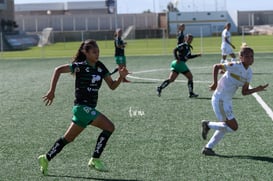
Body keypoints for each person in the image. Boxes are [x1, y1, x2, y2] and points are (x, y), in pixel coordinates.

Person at [38, 39, 129, 175]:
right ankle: (95, 159)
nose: (97, 54)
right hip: (82, 108)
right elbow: (57, 70)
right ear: (85, 53)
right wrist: (52, 91)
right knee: (109, 127)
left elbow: (112, 86)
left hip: (86, 110)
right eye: (93, 52)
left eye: (98, 51)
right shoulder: (79, 66)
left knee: (67, 139)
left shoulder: (100, 67)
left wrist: (121, 77)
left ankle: (45, 158)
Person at [201, 45, 269, 156]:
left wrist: (257, 89)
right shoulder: (236, 65)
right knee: (233, 127)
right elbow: (216, 67)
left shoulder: (249, 73)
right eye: (247, 56)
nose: (250, 58)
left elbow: (244, 92)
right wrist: (215, 83)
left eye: (251, 56)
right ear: (240, 57)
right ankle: (208, 125)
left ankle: (208, 148)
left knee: (226, 126)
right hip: (220, 99)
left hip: (226, 101)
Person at [156, 34, 201, 98]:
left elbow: (189, 57)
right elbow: (175, 50)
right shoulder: (183, 45)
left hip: (178, 64)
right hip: (180, 64)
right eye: (189, 38)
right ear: (185, 39)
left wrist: (197, 55)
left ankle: (159, 88)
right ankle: (191, 93)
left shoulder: (188, 47)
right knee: (190, 77)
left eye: (191, 39)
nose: (190, 40)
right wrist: (177, 58)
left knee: (171, 79)